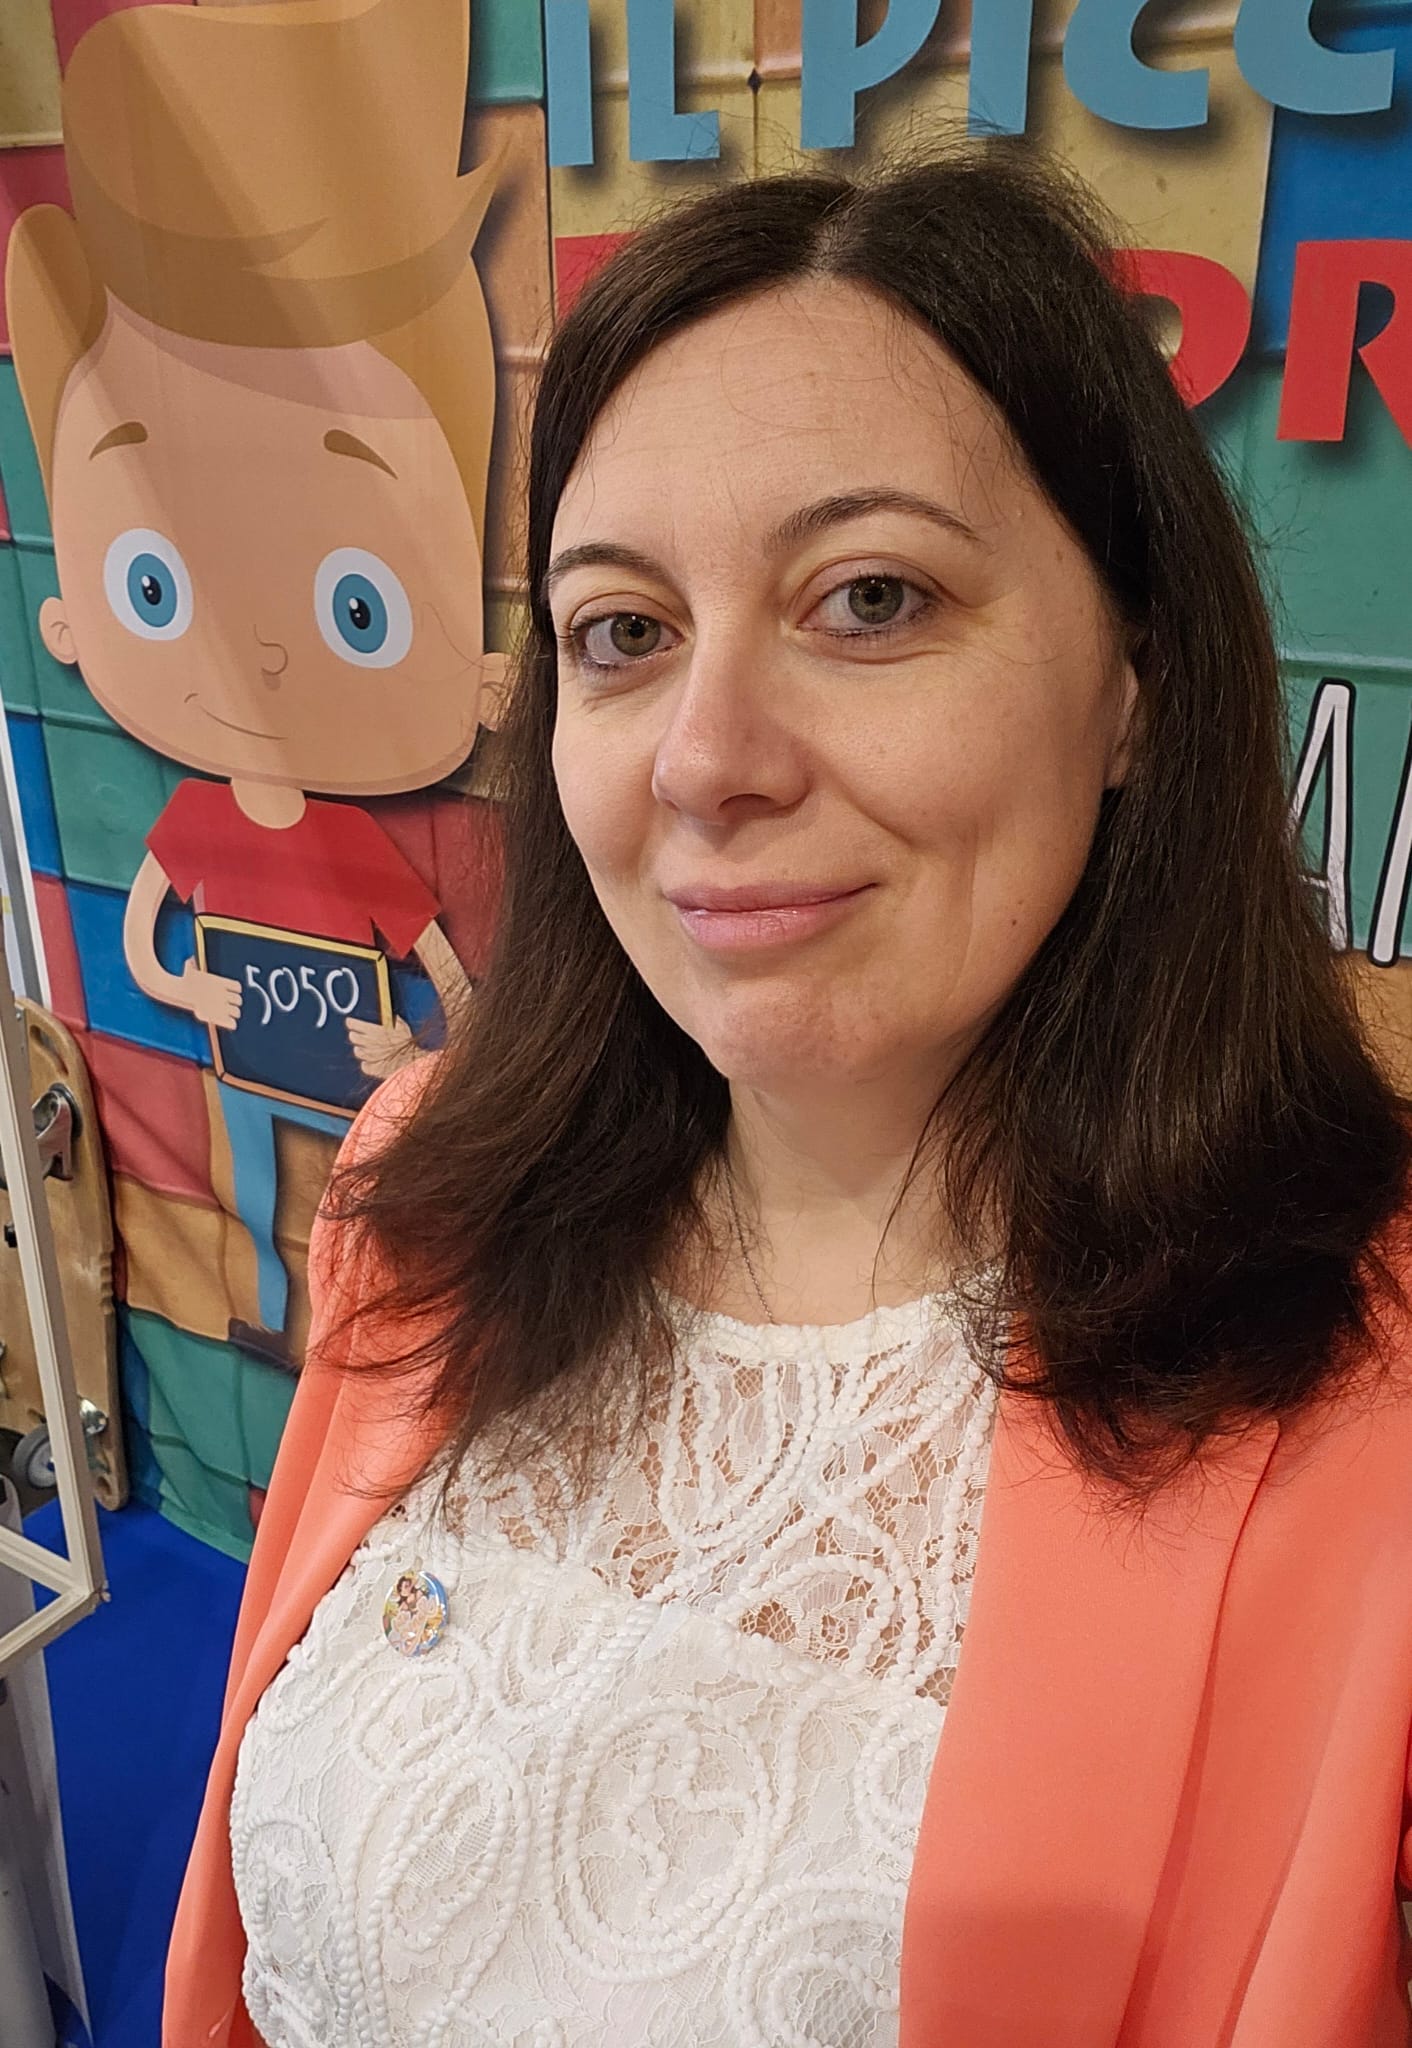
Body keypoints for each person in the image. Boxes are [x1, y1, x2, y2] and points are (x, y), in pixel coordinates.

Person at [165, 142, 1412, 2047]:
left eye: (871, 598)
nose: (706, 757)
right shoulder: (425, 1192)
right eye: (624, 631)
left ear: (1136, 682)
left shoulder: (1362, 1386)